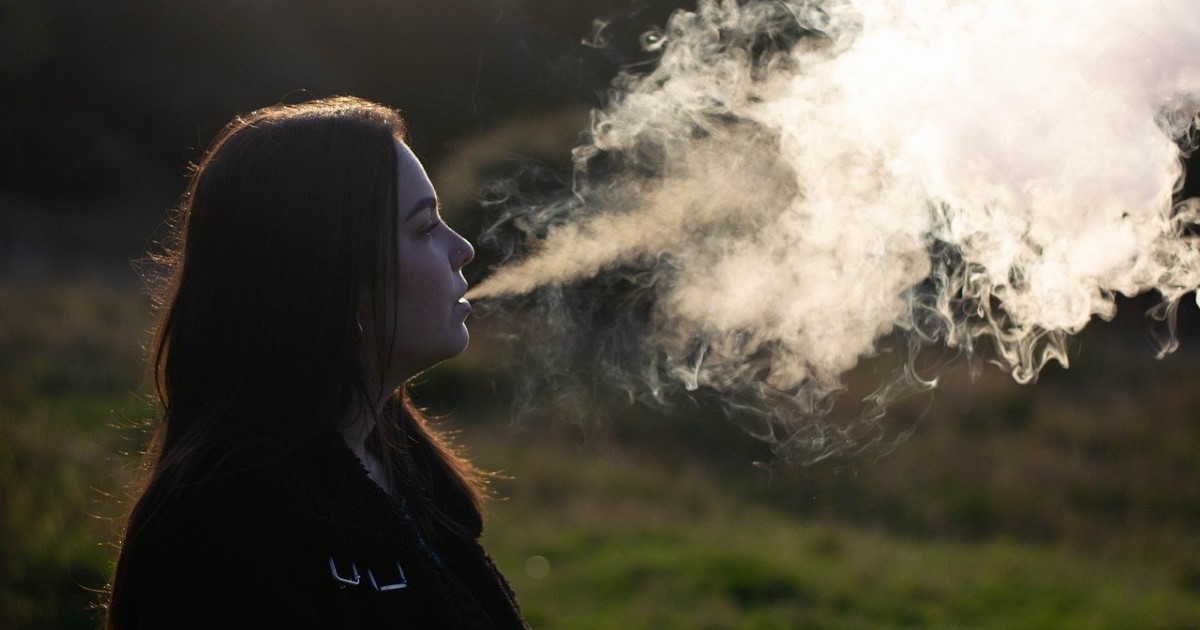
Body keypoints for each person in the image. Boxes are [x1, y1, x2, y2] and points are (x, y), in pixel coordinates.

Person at [105, 96, 527, 628]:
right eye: (424, 228)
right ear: (336, 281)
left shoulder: (407, 472)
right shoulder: (217, 536)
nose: (462, 248)